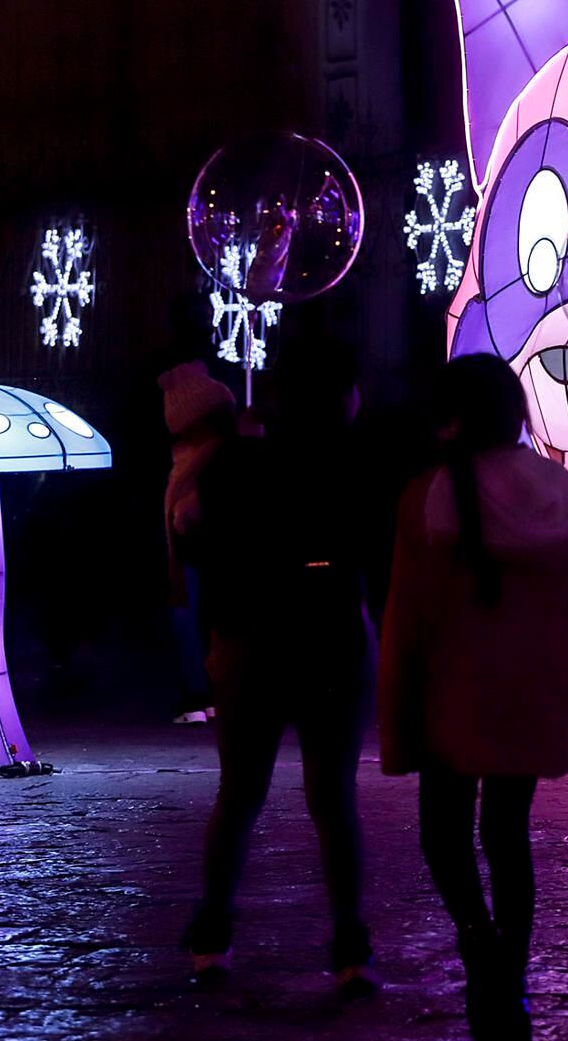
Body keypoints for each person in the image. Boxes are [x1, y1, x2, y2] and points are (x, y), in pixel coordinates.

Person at [379, 353, 568, 1041]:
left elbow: (408, 612)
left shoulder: (429, 494)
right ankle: (507, 976)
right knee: (508, 836)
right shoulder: (558, 494)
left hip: (451, 686)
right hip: (531, 685)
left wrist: (398, 706)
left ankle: (476, 937)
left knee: (442, 833)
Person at [181, 334, 378, 999]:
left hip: (251, 639)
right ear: (345, 394)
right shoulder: (357, 462)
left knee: (238, 793)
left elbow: (200, 545)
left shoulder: (233, 463)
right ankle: (351, 948)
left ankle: (211, 938)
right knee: (333, 800)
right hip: (330, 635)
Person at [157, 358, 235, 724]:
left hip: (211, 557)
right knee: (192, 619)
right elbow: (185, 517)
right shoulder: (194, 463)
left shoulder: (217, 457)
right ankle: (199, 691)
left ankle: (207, 690)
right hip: (199, 557)